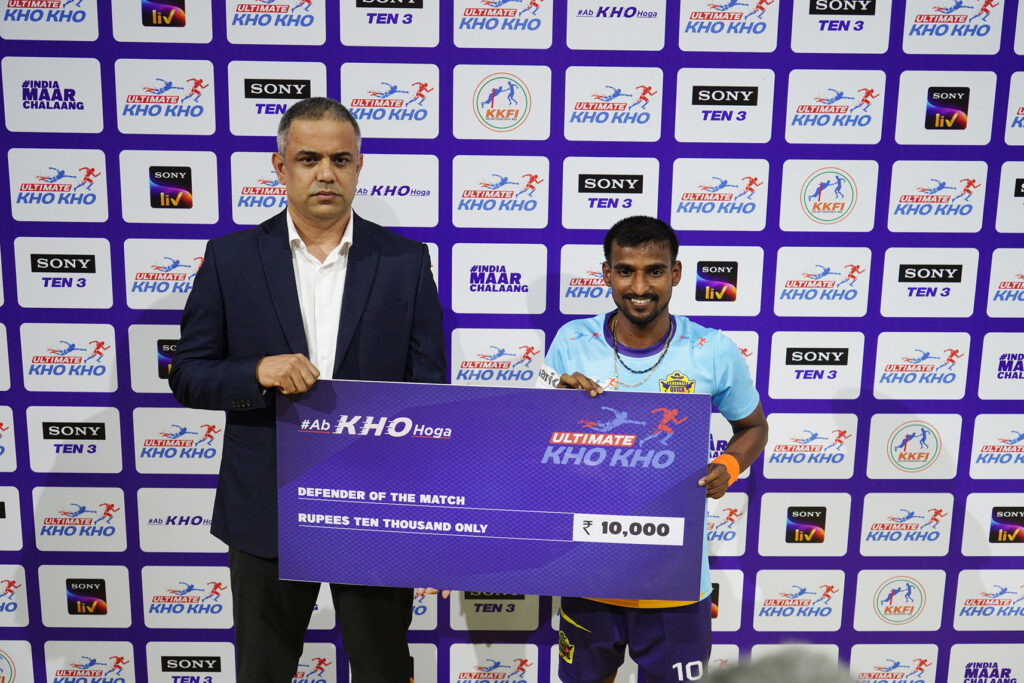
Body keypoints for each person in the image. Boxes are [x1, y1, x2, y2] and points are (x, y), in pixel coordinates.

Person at [169, 97, 446, 683]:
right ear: (280, 166)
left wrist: (425, 522)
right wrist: (256, 372)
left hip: (375, 509)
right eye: (309, 158)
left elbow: (429, 395)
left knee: (384, 671)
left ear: (359, 166)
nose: (326, 173)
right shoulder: (230, 259)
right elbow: (188, 374)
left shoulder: (405, 261)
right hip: (263, 508)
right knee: (264, 672)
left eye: (340, 159)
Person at [541, 215, 768, 683]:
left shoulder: (712, 349)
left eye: (655, 271)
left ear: (677, 274)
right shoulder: (572, 341)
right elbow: (534, 443)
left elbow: (754, 427)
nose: (639, 286)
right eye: (625, 270)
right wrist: (554, 408)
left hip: (675, 580)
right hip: (588, 569)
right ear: (606, 274)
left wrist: (728, 464)